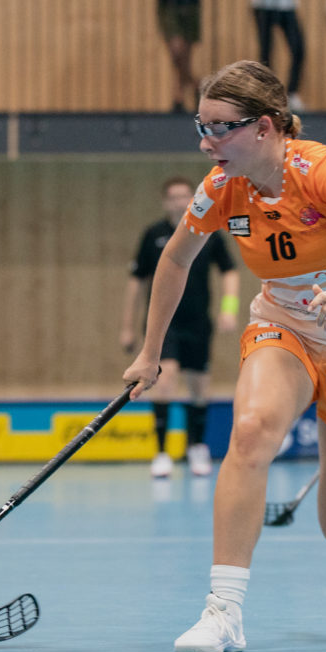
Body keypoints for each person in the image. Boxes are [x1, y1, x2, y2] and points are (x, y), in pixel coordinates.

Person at [124, 60, 326, 652]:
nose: (208, 144)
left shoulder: (320, 170)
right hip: (283, 322)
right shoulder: (221, 186)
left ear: (264, 127)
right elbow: (176, 260)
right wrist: (149, 353)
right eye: (201, 128)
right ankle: (223, 612)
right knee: (252, 430)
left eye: (220, 129)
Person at [120, 175, 239, 477]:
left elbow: (230, 272)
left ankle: (197, 447)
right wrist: (128, 327)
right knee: (167, 376)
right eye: (173, 197)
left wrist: (229, 309)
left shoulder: (209, 231)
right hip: (164, 323)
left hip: (198, 320)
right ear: (165, 201)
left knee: (199, 384)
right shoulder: (154, 235)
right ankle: (161, 452)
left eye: (185, 196)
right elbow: (136, 282)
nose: (179, 202)